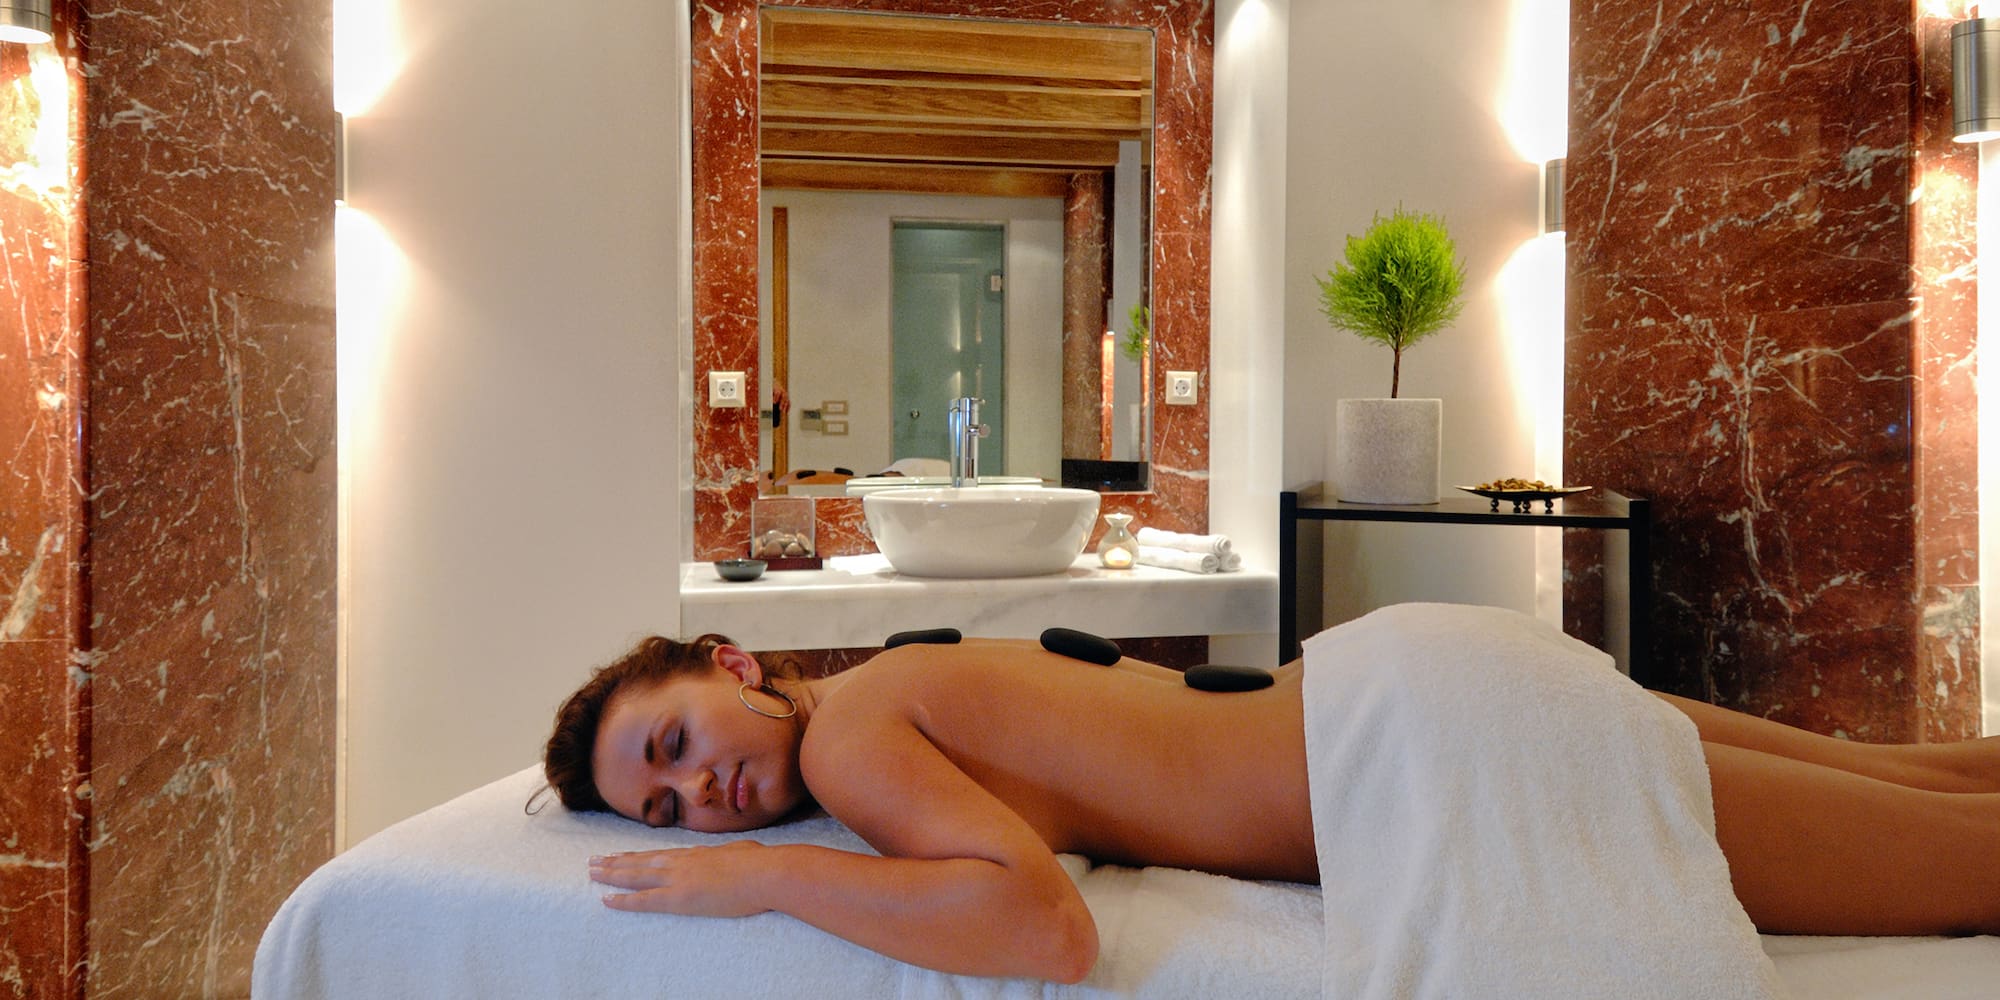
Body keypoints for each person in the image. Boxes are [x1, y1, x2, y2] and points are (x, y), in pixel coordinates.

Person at [544, 632, 2000, 983]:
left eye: (673, 742)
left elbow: (1044, 932)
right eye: (664, 812)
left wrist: (768, 879)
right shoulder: (889, 682)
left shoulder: (854, 739)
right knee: (1937, 780)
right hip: (1414, 682)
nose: (697, 794)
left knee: (1965, 865)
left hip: (1436, 756)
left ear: (733, 665)